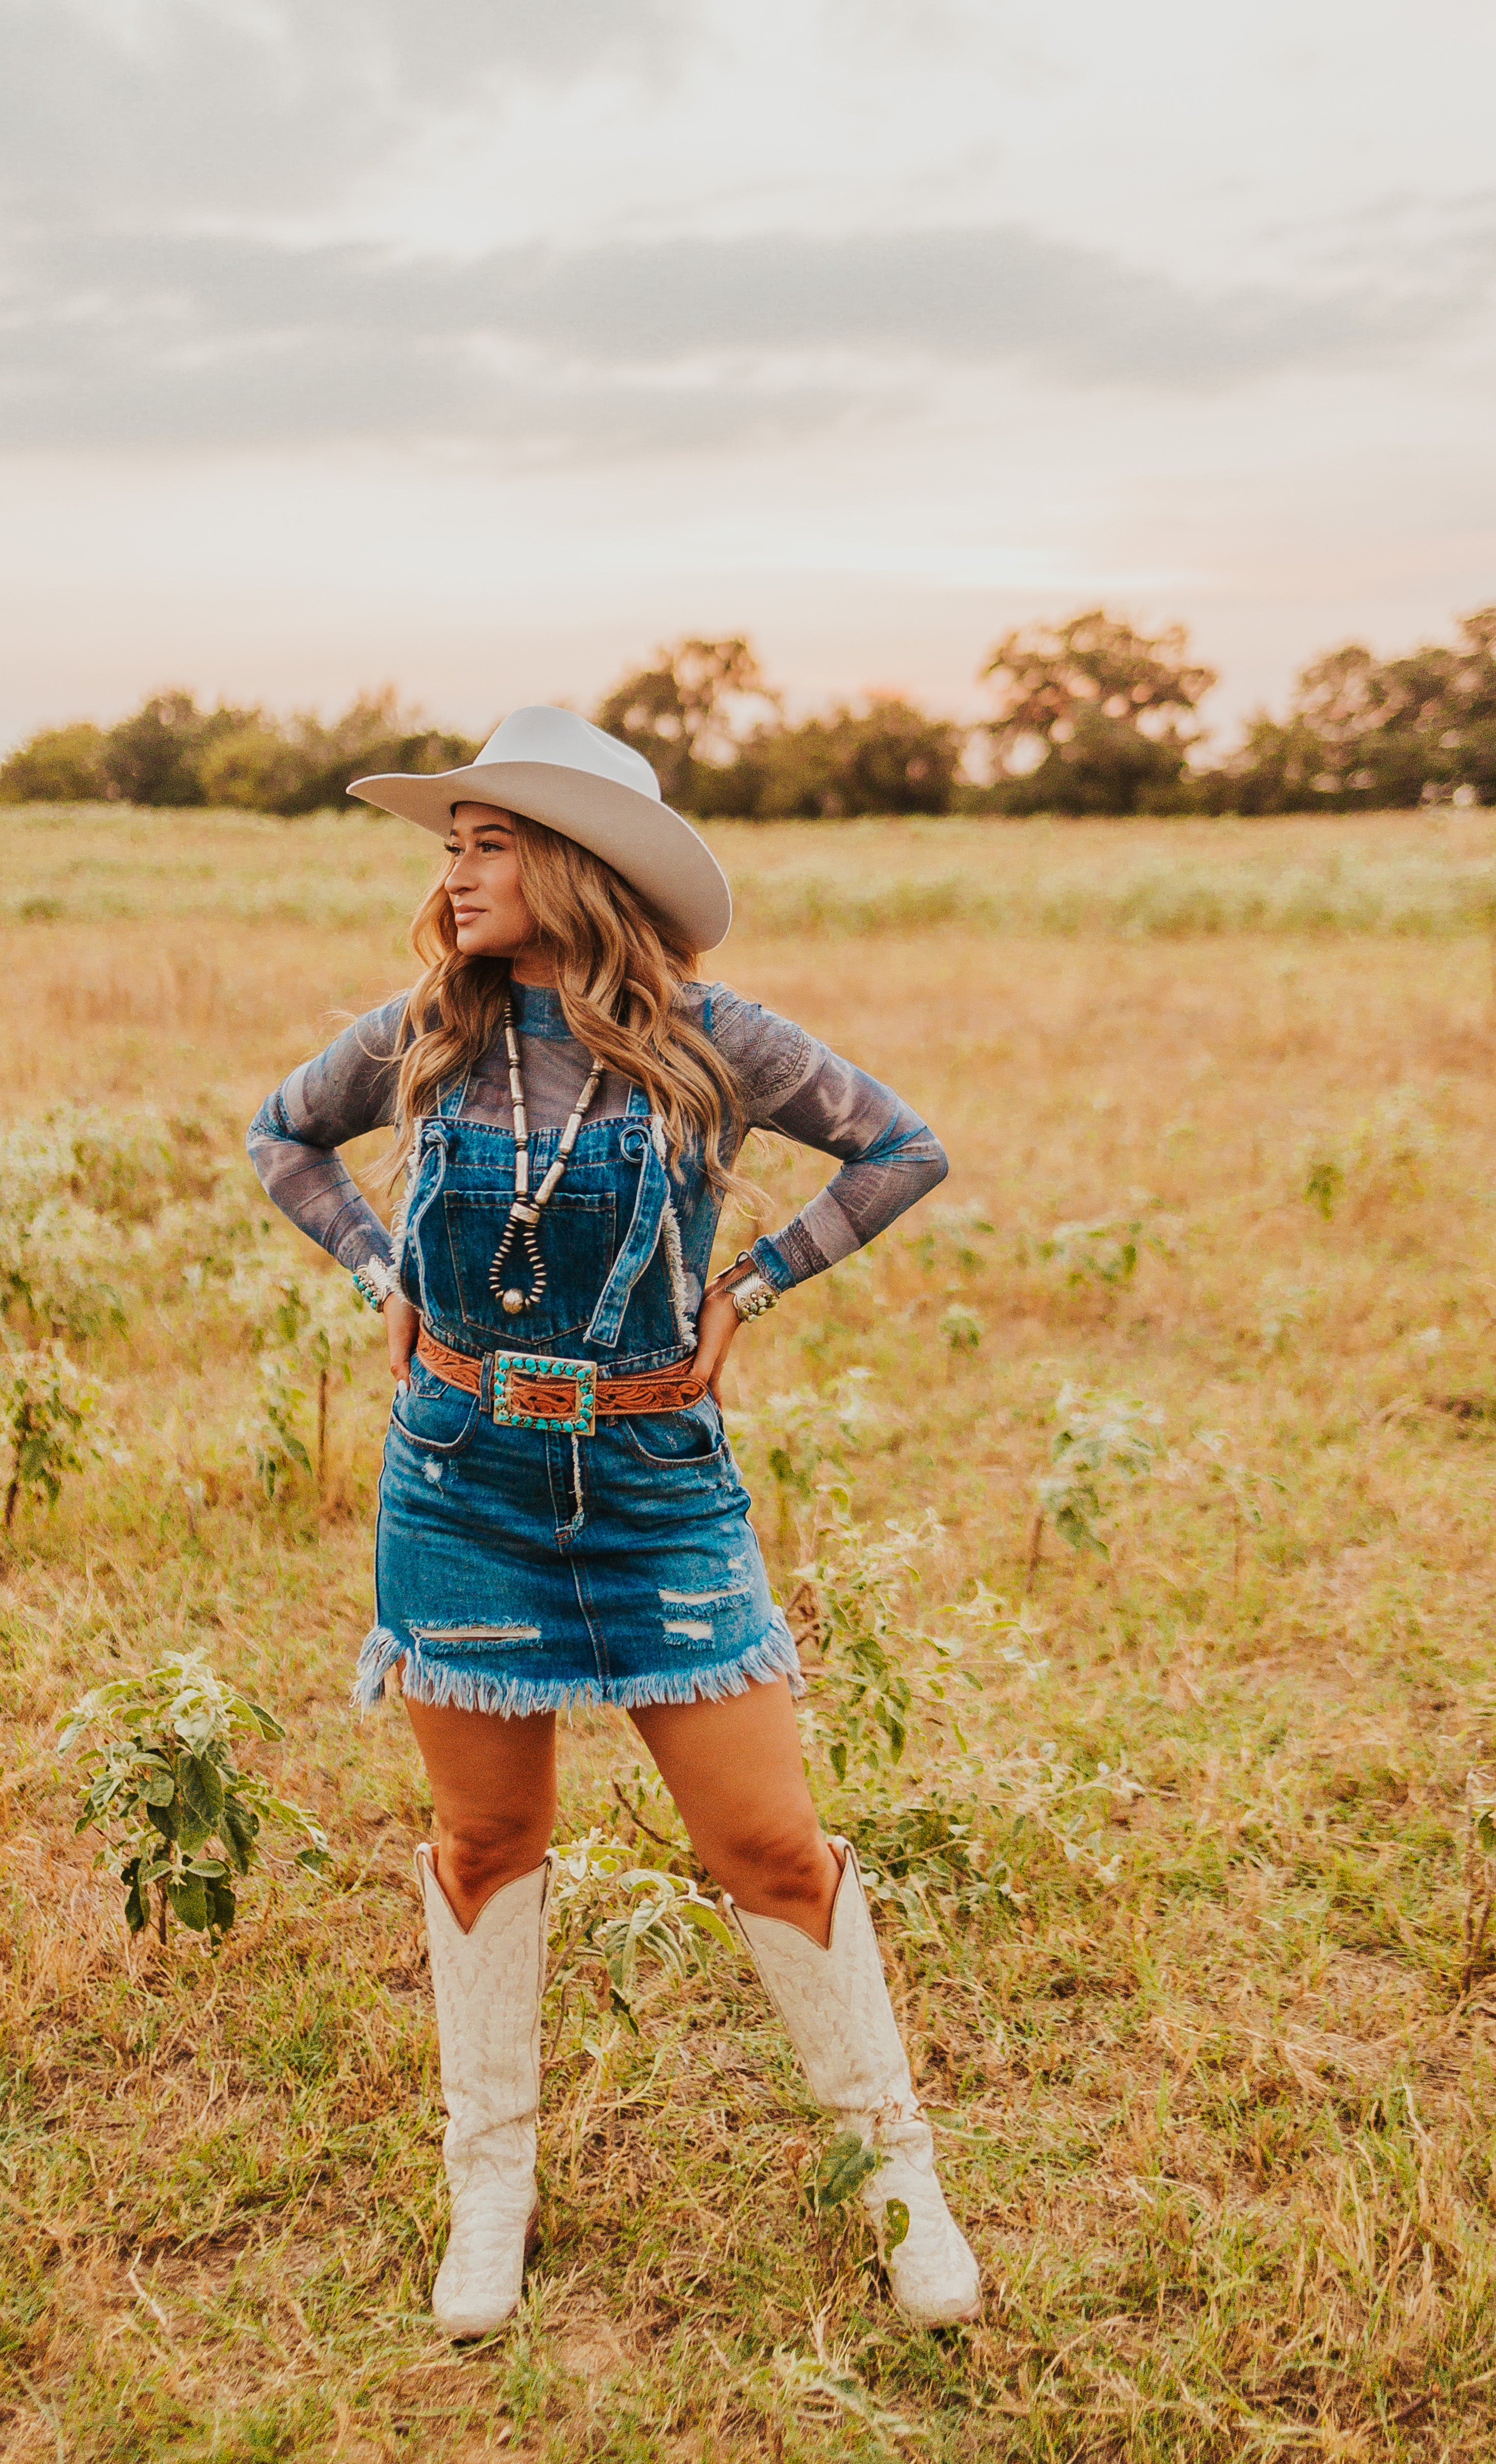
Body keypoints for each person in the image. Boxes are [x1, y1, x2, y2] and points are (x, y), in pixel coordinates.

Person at [248, 705, 981, 2338]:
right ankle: (490, 2190)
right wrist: (377, 1269)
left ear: (578, 865)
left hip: (657, 1488)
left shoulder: (716, 1039)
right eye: (451, 848)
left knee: (768, 1845)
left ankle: (898, 2181)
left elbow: (901, 1146)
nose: (454, 876)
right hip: (460, 1479)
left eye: (489, 845)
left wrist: (757, 1281)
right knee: (487, 1843)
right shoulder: (427, 1031)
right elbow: (280, 1133)